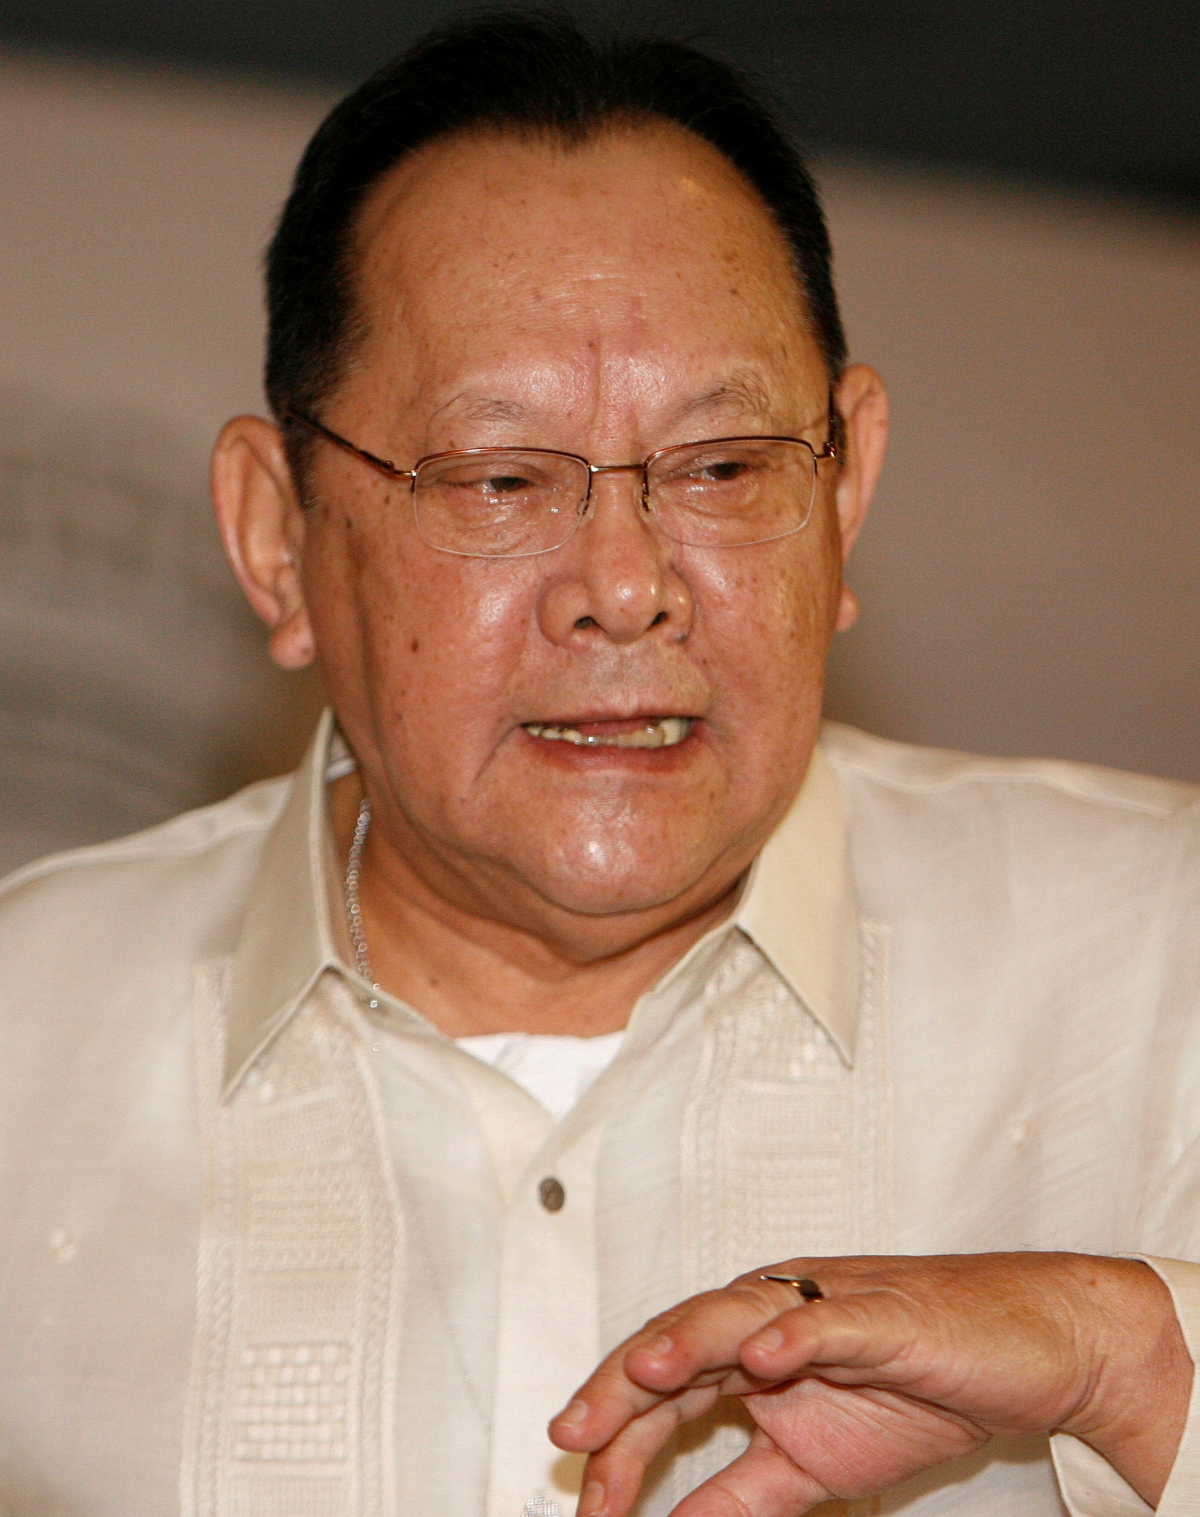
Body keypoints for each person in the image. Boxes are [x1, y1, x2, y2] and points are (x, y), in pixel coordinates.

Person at [0, 11, 1197, 1517]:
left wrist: (1137, 1363)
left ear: (848, 486)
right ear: (276, 537)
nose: (627, 585)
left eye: (724, 467)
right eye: (501, 478)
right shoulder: (20, 1049)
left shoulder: (1164, 971)